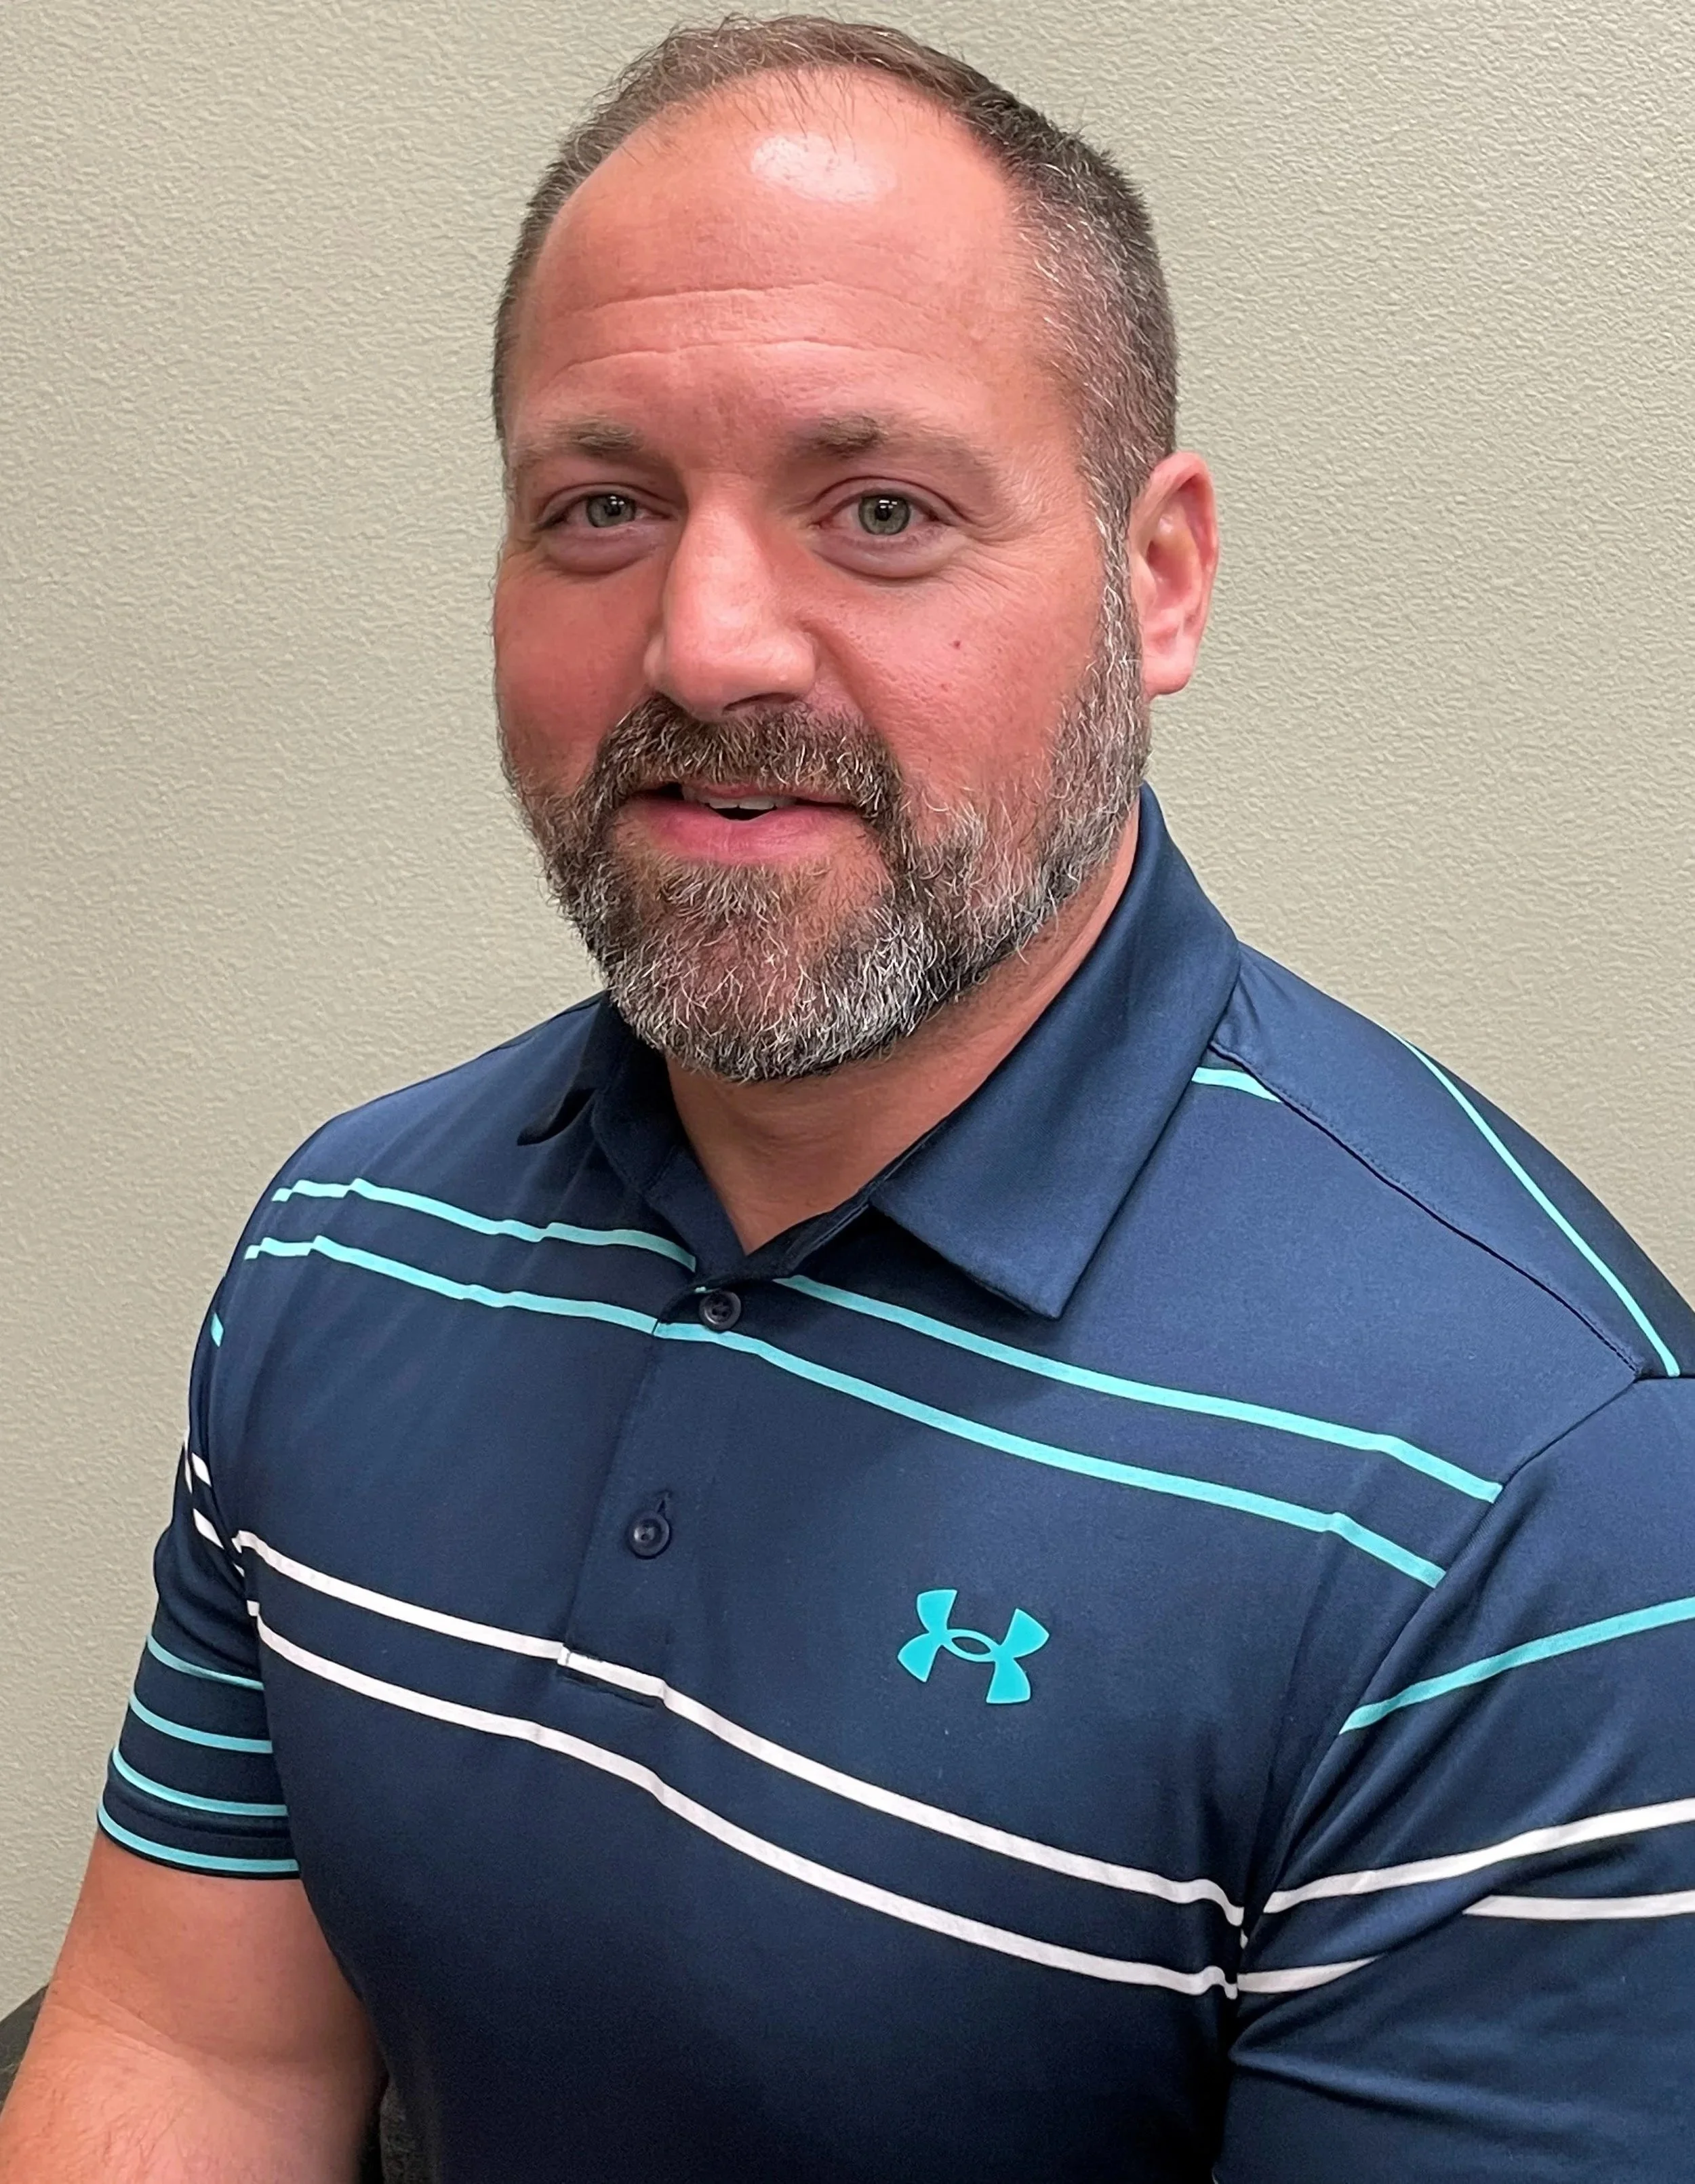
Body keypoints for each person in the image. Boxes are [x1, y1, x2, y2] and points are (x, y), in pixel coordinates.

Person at [3, 17, 1692, 2181]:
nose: (708, 646)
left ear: (1156, 579)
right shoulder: (348, 1249)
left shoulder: (1535, 1497)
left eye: (880, 509)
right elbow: (193, 2054)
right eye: (601, 507)